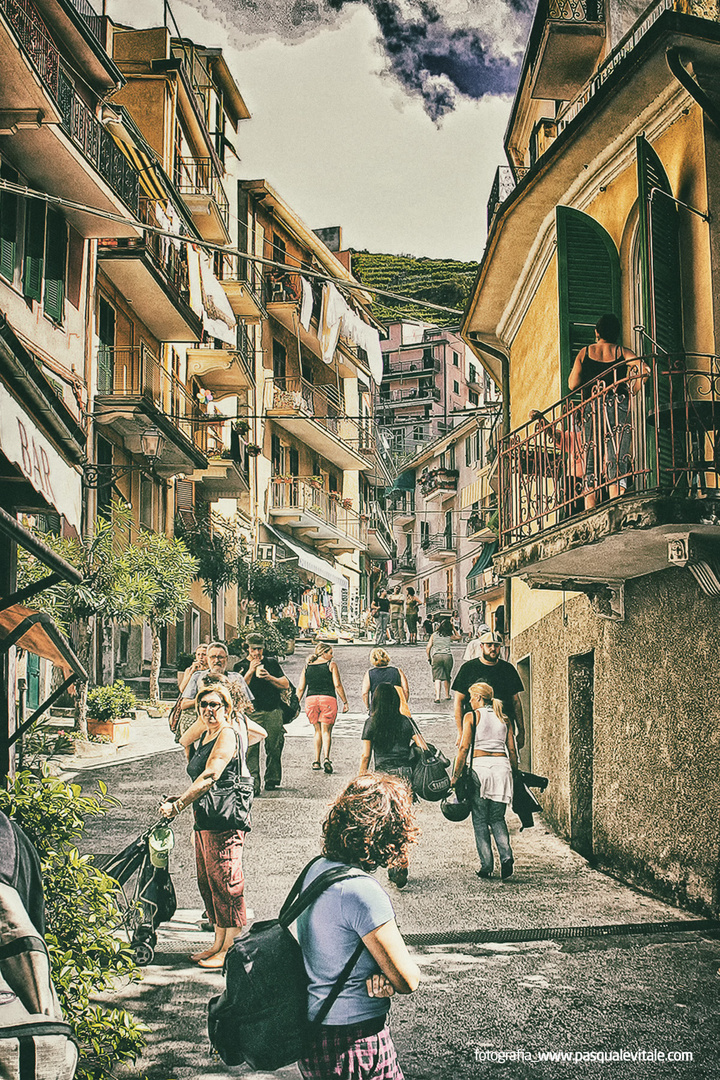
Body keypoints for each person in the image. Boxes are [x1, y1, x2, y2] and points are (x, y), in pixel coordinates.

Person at [296, 774, 421, 1079]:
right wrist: (388, 977)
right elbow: (408, 979)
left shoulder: (316, 869)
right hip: (354, 1043)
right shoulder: (361, 892)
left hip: (314, 1033)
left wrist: (377, 972)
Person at [160, 681, 260, 968]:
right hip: (207, 817)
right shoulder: (207, 733)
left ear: (227, 708)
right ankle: (217, 943)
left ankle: (231, 949)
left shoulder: (227, 735)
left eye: (214, 704)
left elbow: (210, 775)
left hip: (225, 819)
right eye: (203, 705)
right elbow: (183, 742)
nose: (207, 710)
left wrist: (178, 805)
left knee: (228, 882)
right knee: (210, 883)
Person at [568, 313, 647, 510]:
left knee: (591, 455)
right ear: (616, 334)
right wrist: (633, 390)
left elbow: (572, 384)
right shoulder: (622, 351)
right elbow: (644, 369)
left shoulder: (585, 352)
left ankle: (590, 506)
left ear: (597, 332)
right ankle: (615, 501)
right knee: (616, 452)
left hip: (591, 407)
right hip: (617, 403)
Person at [358, 685, 425, 888]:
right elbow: (423, 746)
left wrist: (360, 780)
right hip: (405, 775)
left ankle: (392, 862)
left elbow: (365, 755)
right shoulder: (405, 722)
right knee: (403, 821)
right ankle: (401, 862)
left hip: (382, 778)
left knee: (387, 822)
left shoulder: (372, 722)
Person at [451, 681, 518, 880]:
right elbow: (512, 750)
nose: (470, 701)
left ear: (479, 697)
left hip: (481, 769)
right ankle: (506, 857)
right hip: (502, 769)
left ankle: (486, 865)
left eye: (472, 697)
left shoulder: (472, 716)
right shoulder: (504, 717)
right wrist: (514, 772)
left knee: (480, 819)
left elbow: (464, 749)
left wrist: (455, 776)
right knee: (497, 818)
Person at [452, 631, 525, 750]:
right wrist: (460, 732)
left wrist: (521, 731)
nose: (493, 649)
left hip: (503, 729)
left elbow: (516, 702)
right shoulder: (468, 669)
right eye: (489, 645)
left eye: (496, 645)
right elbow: (458, 702)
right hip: (476, 728)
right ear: (481, 647)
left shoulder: (508, 669)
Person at [237, 633, 290, 794]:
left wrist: (269, 677)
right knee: (251, 749)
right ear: (247, 648)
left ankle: (272, 778)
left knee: (275, 746)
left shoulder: (271, 663)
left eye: (260, 649)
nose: (257, 653)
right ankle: (253, 783)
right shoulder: (240, 666)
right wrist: (251, 671)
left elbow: (285, 683)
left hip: (273, 710)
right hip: (252, 712)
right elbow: (239, 689)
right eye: (254, 649)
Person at [297, 642, 349, 775]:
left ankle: (316, 760)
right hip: (328, 699)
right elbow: (337, 684)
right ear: (323, 653)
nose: (332, 656)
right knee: (327, 732)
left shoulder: (307, 666)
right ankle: (327, 758)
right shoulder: (330, 665)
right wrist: (345, 701)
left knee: (317, 731)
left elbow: (301, 687)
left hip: (311, 700)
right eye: (330, 653)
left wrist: (296, 702)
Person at [361, 648, 409, 713]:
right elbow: (406, 690)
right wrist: (403, 704)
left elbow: (365, 693)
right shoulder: (397, 671)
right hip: (395, 707)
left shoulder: (369, 673)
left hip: (377, 709)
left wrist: (368, 708)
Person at [426, 618, 460, 703]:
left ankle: (437, 697)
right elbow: (459, 637)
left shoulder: (434, 635)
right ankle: (447, 695)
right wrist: (454, 628)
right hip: (447, 656)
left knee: (437, 677)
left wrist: (429, 657)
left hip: (436, 656)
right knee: (447, 676)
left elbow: (428, 648)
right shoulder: (449, 635)